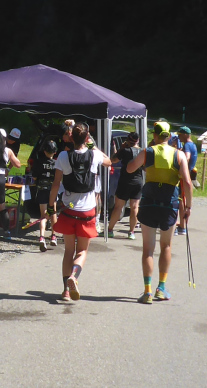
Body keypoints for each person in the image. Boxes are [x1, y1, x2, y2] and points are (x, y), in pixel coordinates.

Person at [125, 121, 193, 304]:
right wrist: (188, 207)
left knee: (148, 249)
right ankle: (161, 288)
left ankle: (147, 291)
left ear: (154, 136)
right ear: (169, 136)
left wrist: (145, 155)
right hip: (169, 205)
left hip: (149, 203)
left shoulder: (148, 152)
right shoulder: (179, 155)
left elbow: (130, 168)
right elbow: (187, 182)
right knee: (166, 246)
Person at [47, 122, 111, 301]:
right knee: (82, 251)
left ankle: (66, 291)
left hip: (68, 209)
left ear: (71, 137)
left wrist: (51, 205)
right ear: (87, 137)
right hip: (87, 212)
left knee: (68, 251)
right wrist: (93, 146)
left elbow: (56, 183)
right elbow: (108, 161)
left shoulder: (63, 156)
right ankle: (74, 276)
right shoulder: (94, 154)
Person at [106, 132, 144, 239]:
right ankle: (131, 232)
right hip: (138, 181)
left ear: (128, 140)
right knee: (134, 207)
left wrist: (121, 148)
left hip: (125, 181)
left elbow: (113, 160)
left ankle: (110, 230)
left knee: (118, 207)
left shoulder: (125, 150)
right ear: (138, 141)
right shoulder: (142, 152)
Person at [31, 140, 59, 251]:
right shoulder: (57, 163)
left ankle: (42, 237)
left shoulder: (38, 162)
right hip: (52, 191)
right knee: (53, 214)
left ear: (44, 151)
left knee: (43, 216)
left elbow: (34, 177)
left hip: (42, 190)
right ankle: (53, 236)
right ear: (55, 152)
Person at [174, 126, 197, 236]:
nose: (178, 137)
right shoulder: (193, 145)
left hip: (184, 175)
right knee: (182, 199)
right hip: (189, 173)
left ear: (185, 135)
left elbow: (187, 157)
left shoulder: (187, 145)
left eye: (180, 135)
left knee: (181, 200)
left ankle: (182, 227)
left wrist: (181, 168)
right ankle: (182, 225)